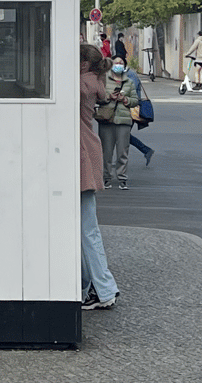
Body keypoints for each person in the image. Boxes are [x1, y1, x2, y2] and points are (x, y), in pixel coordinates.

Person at [78, 44, 119, 311]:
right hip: (87, 150)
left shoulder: (81, 84)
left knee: (87, 228)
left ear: (83, 63)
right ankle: (90, 287)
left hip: (81, 152)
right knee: (85, 227)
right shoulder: (94, 81)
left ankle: (104, 288)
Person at [95, 52, 140, 188]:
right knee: (106, 152)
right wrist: (109, 97)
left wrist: (125, 99)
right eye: (116, 63)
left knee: (122, 151)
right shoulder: (103, 80)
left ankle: (122, 178)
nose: (118, 65)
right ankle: (106, 177)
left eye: (121, 63)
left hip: (124, 121)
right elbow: (97, 97)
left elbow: (135, 101)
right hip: (106, 119)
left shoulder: (129, 82)